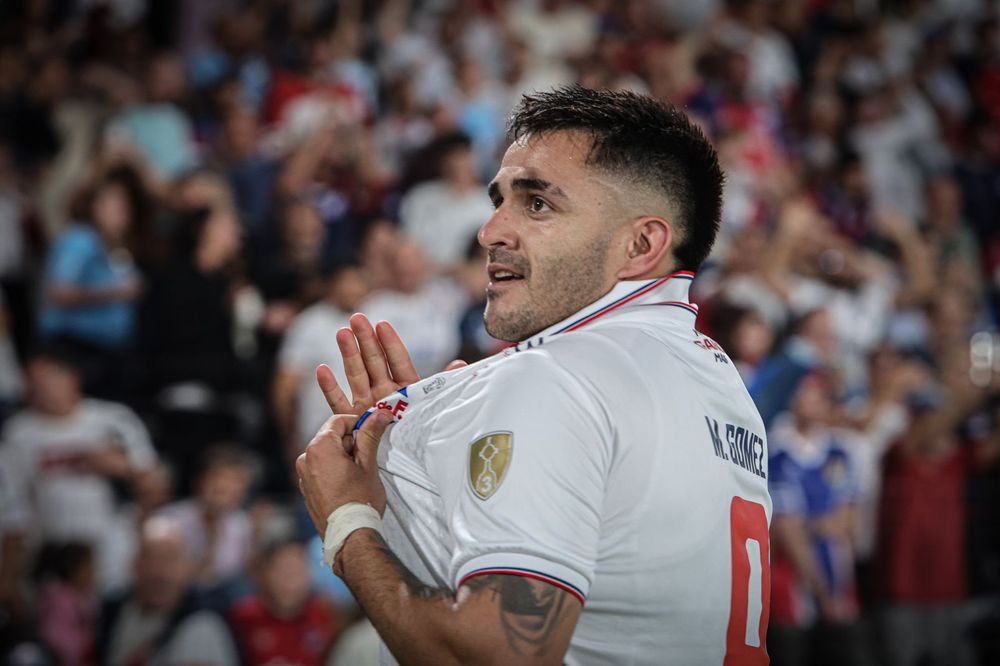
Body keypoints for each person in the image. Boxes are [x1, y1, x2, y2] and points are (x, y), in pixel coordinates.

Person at [297, 86, 772, 664]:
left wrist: (348, 521)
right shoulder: (720, 383)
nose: (490, 231)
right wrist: (416, 471)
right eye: (499, 200)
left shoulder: (554, 379)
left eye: (538, 204)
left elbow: (501, 657)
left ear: (641, 243)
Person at [96, 517, 239, 666]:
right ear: (133, 564)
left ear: (188, 567)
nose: (157, 571)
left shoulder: (203, 622)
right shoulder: (110, 609)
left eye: (170, 559)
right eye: (149, 558)